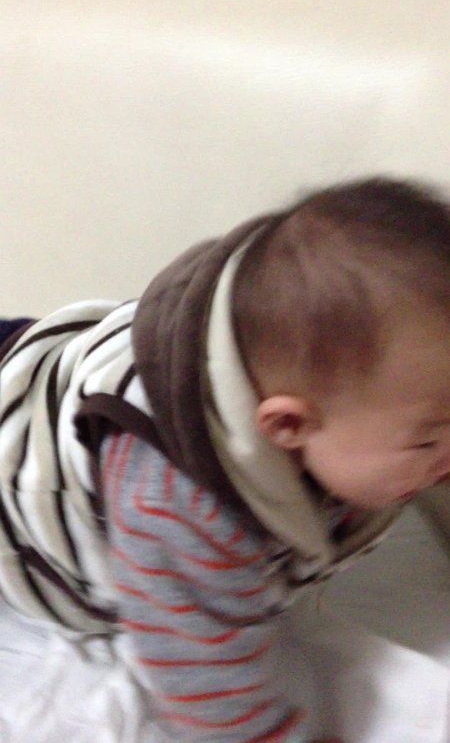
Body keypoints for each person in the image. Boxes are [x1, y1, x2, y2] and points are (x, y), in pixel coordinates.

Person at [1, 177, 449, 743]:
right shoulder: (182, 506)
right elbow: (197, 668)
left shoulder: (321, 386)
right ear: (288, 427)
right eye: (426, 442)